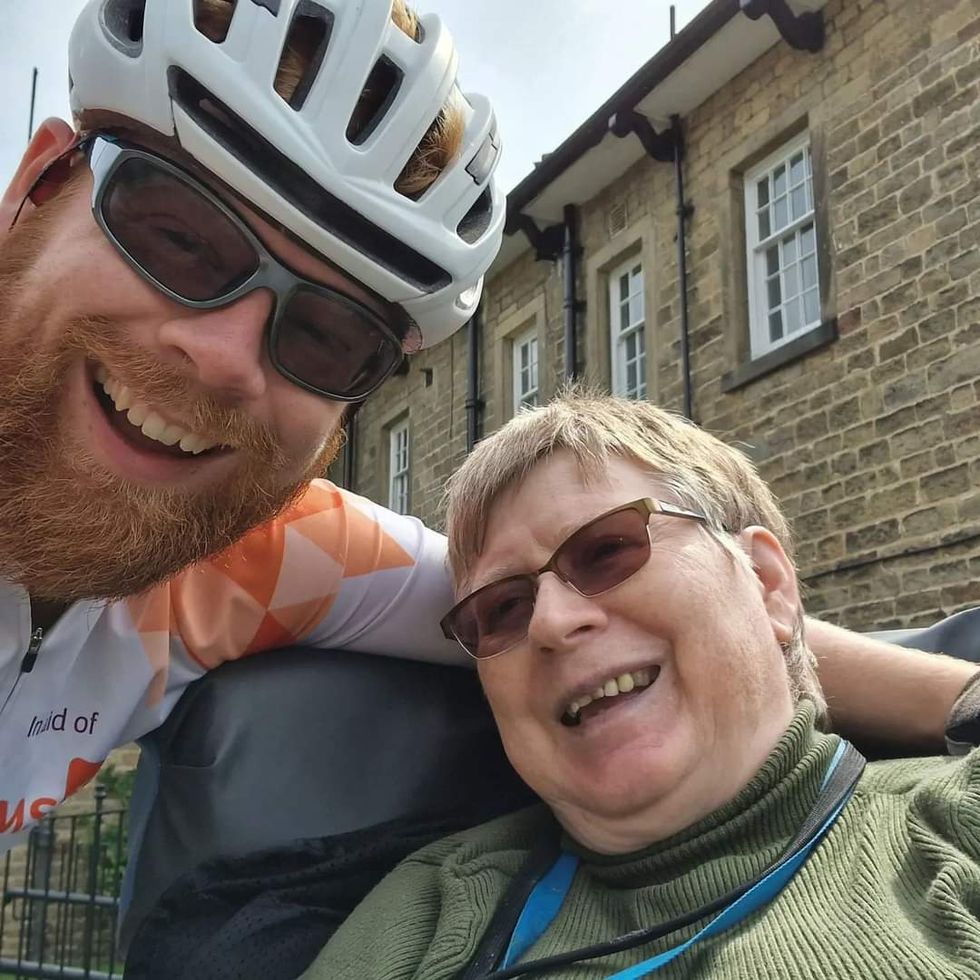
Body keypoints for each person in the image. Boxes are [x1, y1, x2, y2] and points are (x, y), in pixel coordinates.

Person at [0, 0, 974, 850]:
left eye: (331, 336)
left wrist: (951, 695)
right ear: (35, 187)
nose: (222, 353)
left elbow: (633, 607)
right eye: (174, 231)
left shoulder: (264, 554)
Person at [301, 391, 980, 980]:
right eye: (502, 609)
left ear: (768, 584)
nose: (553, 622)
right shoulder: (436, 905)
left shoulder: (951, 823)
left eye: (607, 550)